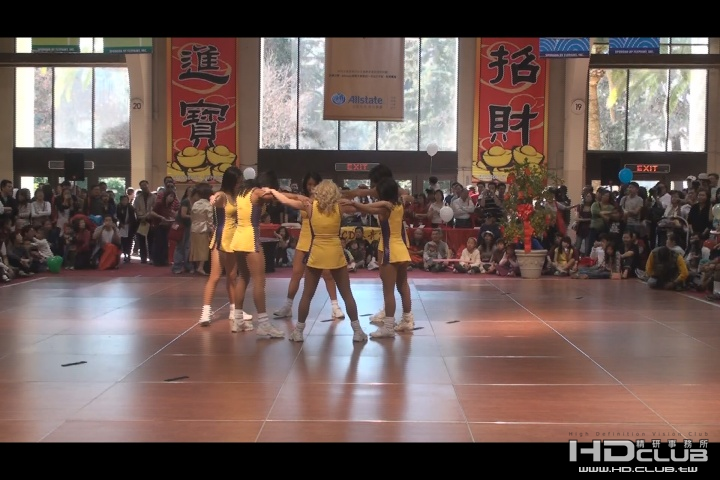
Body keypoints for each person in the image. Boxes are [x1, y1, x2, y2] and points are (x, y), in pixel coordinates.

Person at [265, 180, 368, 343]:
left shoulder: (309, 206)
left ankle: (298, 332)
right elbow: (361, 209)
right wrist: (356, 199)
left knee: (307, 295)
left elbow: (286, 201)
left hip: (316, 253)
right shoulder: (340, 207)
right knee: (347, 294)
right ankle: (357, 331)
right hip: (335, 254)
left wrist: (274, 191)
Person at [273, 171, 346, 321]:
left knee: (327, 274)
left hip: (320, 240)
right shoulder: (304, 199)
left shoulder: (326, 200)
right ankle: (287, 306)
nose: (311, 187)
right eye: (308, 184)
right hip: (305, 238)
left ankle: (335, 307)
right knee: (296, 273)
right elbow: (286, 198)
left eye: (314, 184)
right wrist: (297, 196)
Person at [353, 177, 415, 337]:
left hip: (389, 250)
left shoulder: (384, 207)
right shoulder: (400, 202)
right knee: (403, 286)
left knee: (388, 291)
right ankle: (407, 319)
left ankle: (388, 327)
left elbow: (366, 208)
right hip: (401, 248)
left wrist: (353, 204)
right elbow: (409, 196)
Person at [230, 170, 286, 338]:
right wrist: (298, 197)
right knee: (259, 282)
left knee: (243, 278)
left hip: (238, 237)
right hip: (250, 238)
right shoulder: (257, 192)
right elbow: (274, 197)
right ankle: (264, 324)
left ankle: (238, 320)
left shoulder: (242, 192)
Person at [198, 167, 252, 327]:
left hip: (234, 238)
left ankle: (234, 310)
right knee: (215, 276)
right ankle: (205, 313)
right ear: (231, 181)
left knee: (232, 276)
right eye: (238, 181)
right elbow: (216, 198)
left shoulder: (237, 196)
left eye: (241, 181)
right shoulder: (222, 195)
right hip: (221, 238)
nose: (240, 183)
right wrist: (214, 199)